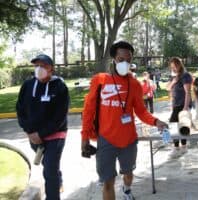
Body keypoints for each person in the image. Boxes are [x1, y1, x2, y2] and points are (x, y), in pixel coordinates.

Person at [81, 41, 167, 200]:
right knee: (108, 182)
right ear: (114, 59)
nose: (125, 64)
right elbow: (88, 111)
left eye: (128, 60)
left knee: (128, 175)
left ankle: (126, 190)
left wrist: (156, 121)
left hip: (128, 140)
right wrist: (85, 138)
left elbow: (141, 111)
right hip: (105, 140)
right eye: (121, 60)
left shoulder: (134, 84)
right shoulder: (99, 80)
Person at [16, 54, 69, 200]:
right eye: (36, 65)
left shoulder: (60, 87)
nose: (39, 69)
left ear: (51, 69)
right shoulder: (27, 85)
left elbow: (60, 116)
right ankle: (59, 179)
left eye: (43, 66)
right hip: (33, 136)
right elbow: (20, 109)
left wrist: (41, 134)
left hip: (56, 134)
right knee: (49, 164)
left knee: (49, 170)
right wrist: (29, 131)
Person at [166, 57, 192, 158]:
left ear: (180, 65)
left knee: (178, 125)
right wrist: (173, 81)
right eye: (172, 66)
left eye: (175, 66)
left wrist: (185, 108)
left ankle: (182, 147)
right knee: (175, 125)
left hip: (182, 104)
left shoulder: (185, 75)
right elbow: (167, 88)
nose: (174, 68)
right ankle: (179, 147)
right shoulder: (173, 76)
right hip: (176, 104)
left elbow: (188, 92)